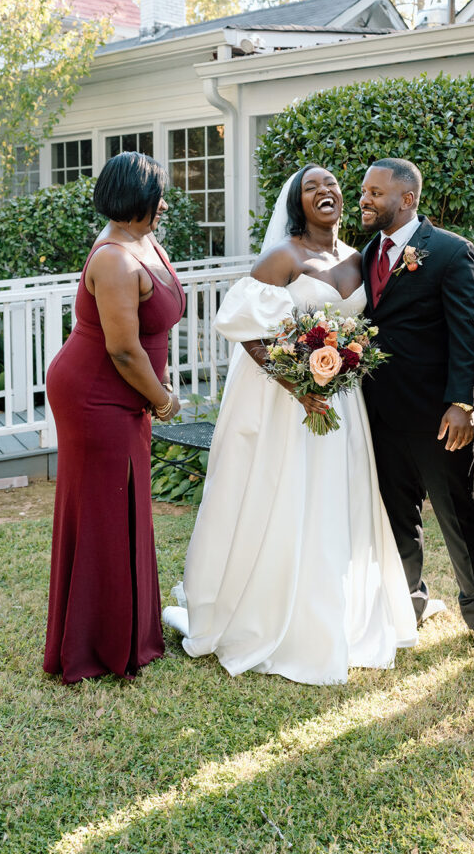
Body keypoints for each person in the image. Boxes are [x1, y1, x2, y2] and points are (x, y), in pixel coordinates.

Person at [163, 164, 418, 684]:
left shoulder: (359, 256)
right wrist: (300, 387)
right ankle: (274, 614)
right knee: (285, 498)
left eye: (330, 185)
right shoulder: (284, 256)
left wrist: (335, 373)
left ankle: (339, 611)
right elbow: (244, 326)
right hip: (287, 404)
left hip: (344, 404)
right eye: (310, 187)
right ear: (297, 203)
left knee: (334, 500)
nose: (324, 192)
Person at [44, 152, 185, 684]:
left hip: (126, 391)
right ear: (133, 200)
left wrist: (152, 394)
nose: (164, 205)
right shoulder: (114, 259)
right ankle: (95, 645)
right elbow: (125, 351)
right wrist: (163, 400)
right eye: (157, 196)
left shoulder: (141, 241)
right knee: (104, 510)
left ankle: (128, 629)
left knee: (126, 505)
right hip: (95, 393)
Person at [360, 157, 474, 660]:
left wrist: (464, 403)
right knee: (399, 517)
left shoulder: (448, 251)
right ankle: (408, 606)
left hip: (440, 419)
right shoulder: (366, 254)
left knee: (460, 516)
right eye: (365, 191)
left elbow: (471, 333)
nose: (366, 199)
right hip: (379, 416)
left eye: (377, 192)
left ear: (408, 199)